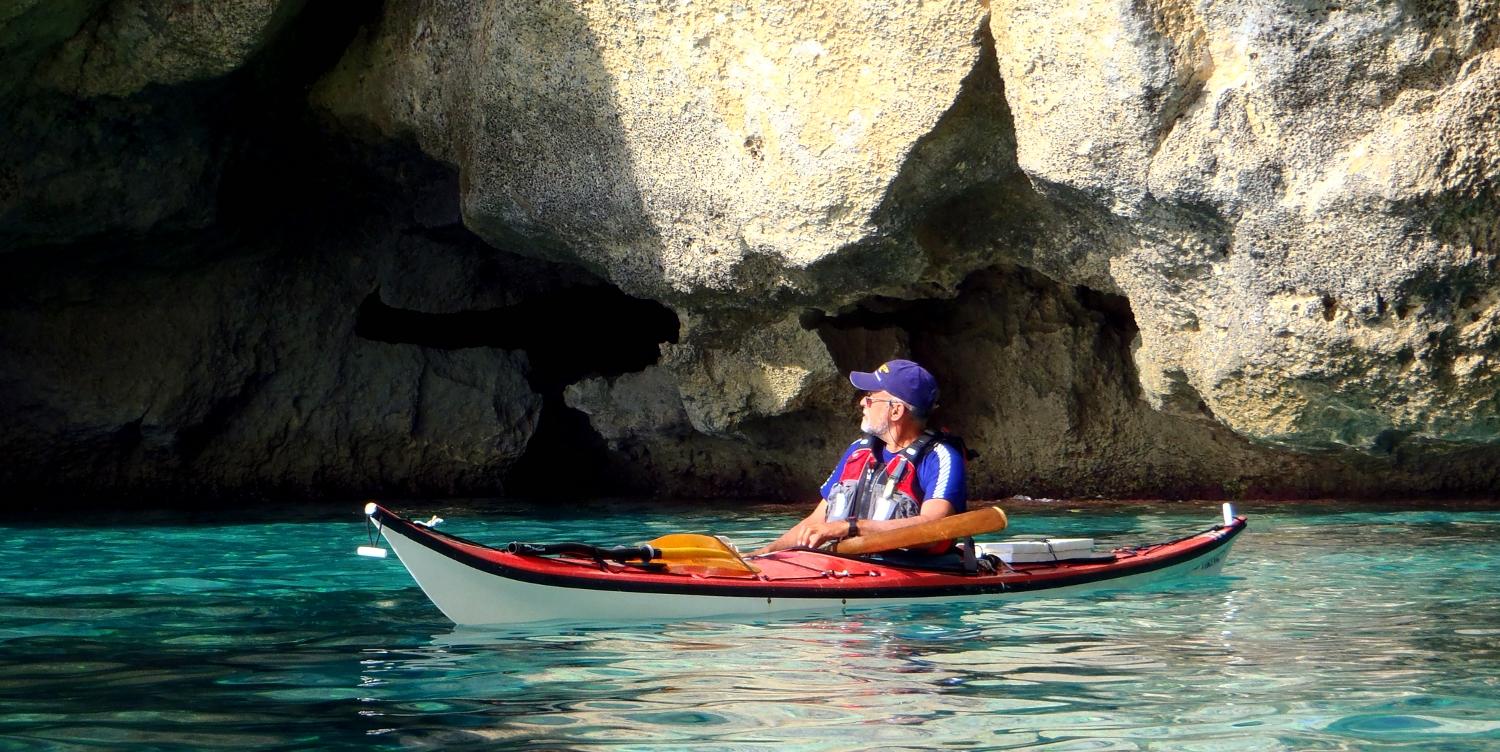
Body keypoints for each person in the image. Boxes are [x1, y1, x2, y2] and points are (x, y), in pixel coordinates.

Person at [752, 359, 967, 555]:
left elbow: (934, 528)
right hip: (844, 567)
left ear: (896, 411)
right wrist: (763, 554)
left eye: (871, 397)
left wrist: (852, 526)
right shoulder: (858, 451)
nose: (863, 403)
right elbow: (815, 522)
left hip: (908, 574)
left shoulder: (940, 457)